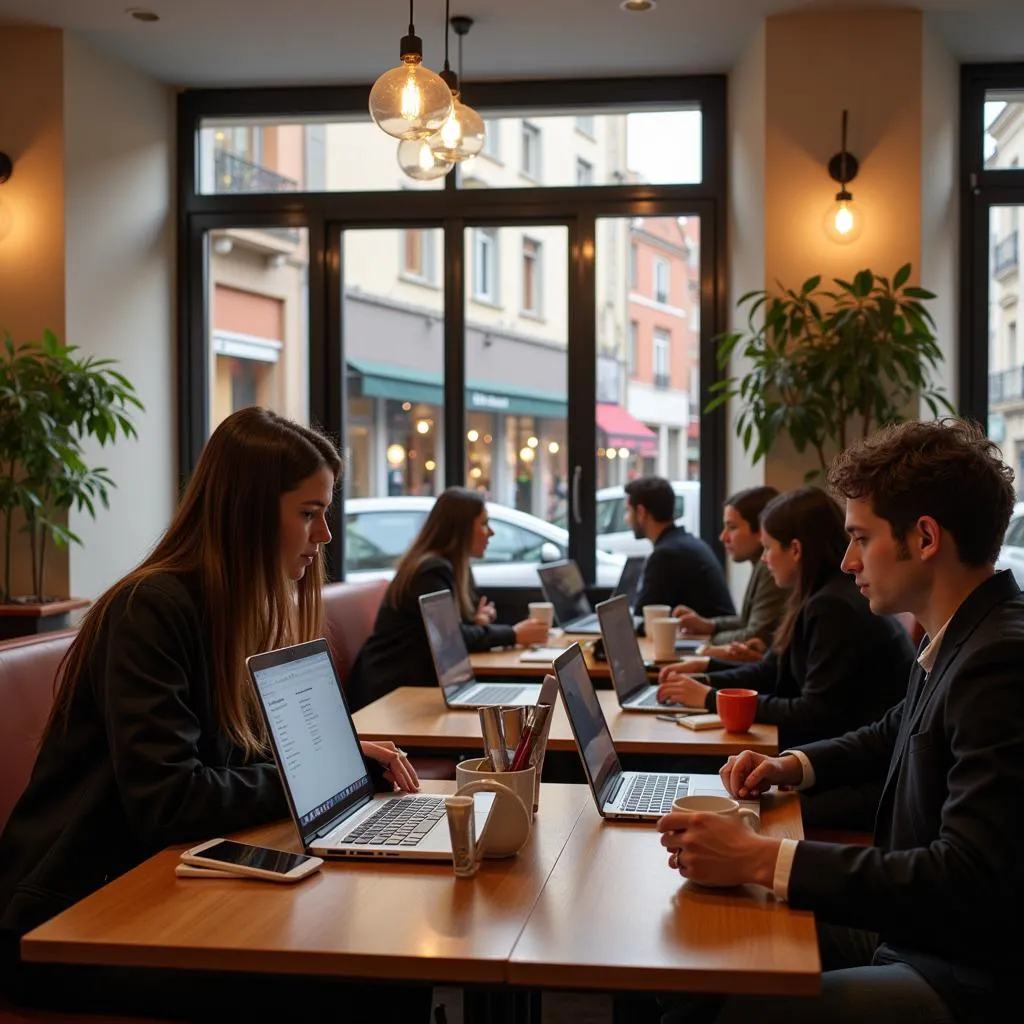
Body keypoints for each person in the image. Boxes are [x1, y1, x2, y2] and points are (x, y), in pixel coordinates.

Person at [0, 407, 421, 1018]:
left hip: (159, 888)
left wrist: (342, 762)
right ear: (249, 513)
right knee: (363, 974)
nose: (324, 535)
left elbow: (239, 758)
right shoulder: (151, 610)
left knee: (378, 957)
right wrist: (315, 781)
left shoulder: (239, 609)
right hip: (69, 918)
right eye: (309, 513)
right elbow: (170, 801)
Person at [658, 419, 1023, 1024]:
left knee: (741, 1008)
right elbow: (891, 732)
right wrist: (789, 766)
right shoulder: (961, 635)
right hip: (916, 934)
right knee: (701, 950)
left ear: (925, 537)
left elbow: (965, 877)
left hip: (960, 974)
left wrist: (758, 858)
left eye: (860, 537)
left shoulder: (1000, 662)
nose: (848, 559)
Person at [656, 488, 913, 805]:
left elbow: (814, 713)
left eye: (767, 548)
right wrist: (706, 678)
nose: (763, 559)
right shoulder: (818, 596)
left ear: (795, 550)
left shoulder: (834, 607)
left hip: (858, 779)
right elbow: (771, 671)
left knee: (689, 770)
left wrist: (710, 697)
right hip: (839, 760)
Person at [346, 486, 548, 710]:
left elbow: (441, 633)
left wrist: (473, 623)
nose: (491, 532)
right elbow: (448, 639)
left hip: (417, 682)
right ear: (460, 529)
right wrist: (514, 634)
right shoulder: (430, 571)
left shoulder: (448, 568)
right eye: (483, 524)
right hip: (390, 690)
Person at [666, 485, 786, 668]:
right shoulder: (760, 564)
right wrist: (709, 625)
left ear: (761, 530)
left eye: (732, 527)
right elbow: (748, 621)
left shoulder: (772, 568)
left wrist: (709, 640)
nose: (723, 537)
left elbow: (756, 633)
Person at [625, 476, 735, 627]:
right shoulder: (686, 543)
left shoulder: (666, 555)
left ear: (641, 512)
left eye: (627, 511)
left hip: (710, 643)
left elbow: (642, 620)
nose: (626, 519)